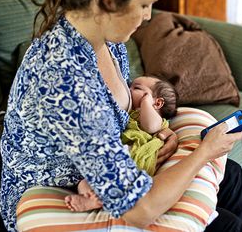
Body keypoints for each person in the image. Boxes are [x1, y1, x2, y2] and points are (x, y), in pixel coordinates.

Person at [0, 0, 242, 231]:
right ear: (109, 1)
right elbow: (139, 211)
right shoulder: (65, 81)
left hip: (102, 165)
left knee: (232, 176)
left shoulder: (107, 41)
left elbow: (118, 109)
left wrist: (160, 132)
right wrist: (204, 152)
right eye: (145, 4)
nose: (148, 15)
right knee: (228, 224)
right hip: (62, 193)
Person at [64, 75, 179, 212]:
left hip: (130, 158)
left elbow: (151, 127)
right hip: (111, 159)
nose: (128, 90)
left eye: (136, 88)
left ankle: (98, 198)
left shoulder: (156, 120)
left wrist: (146, 103)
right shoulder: (127, 113)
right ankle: (92, 198)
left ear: (158, 103)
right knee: (84, 182)